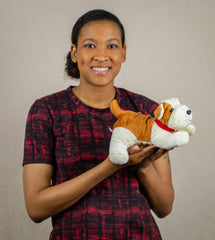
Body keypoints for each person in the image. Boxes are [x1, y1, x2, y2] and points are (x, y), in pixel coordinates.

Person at [23, 9, 174, 240]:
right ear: (74, 52)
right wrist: (111, 165)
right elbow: (35, 208)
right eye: (90, 45)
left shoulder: (147, 110)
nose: (101, 55)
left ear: (123, 53)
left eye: (112, 46)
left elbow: (164, 207)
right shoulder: (47, 111)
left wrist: (142, 165)